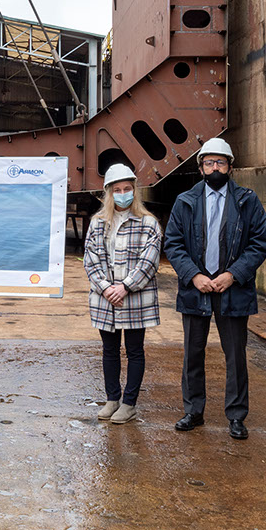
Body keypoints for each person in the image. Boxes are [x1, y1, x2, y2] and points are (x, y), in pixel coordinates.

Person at [164, 138, 266, 439]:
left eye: (220, 163)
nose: (215, 168)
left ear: (230, 167)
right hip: (196, 288)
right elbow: (173, 243)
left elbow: (260, 243)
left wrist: (234, 275)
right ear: (200, 168)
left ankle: (236, 415)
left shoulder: (247, 201)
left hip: (232, 290)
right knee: (193, 353)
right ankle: (193, 411)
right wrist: (193, 275)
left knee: (235, 355)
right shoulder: (185, 201)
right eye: (209, 163)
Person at [83, 163, 163, 424]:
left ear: (134, 191)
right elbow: (90, 259)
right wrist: (106, 287)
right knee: (109, 350)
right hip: (106, 297)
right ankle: (112, 399)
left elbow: (149, 261)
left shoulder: (149, 223)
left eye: (127, 189)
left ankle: (129, 404)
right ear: (109, 193)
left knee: (135, 350)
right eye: (117, 190)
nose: (123, 193)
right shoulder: (97, 223)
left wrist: (125, 286)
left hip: (134, 297)